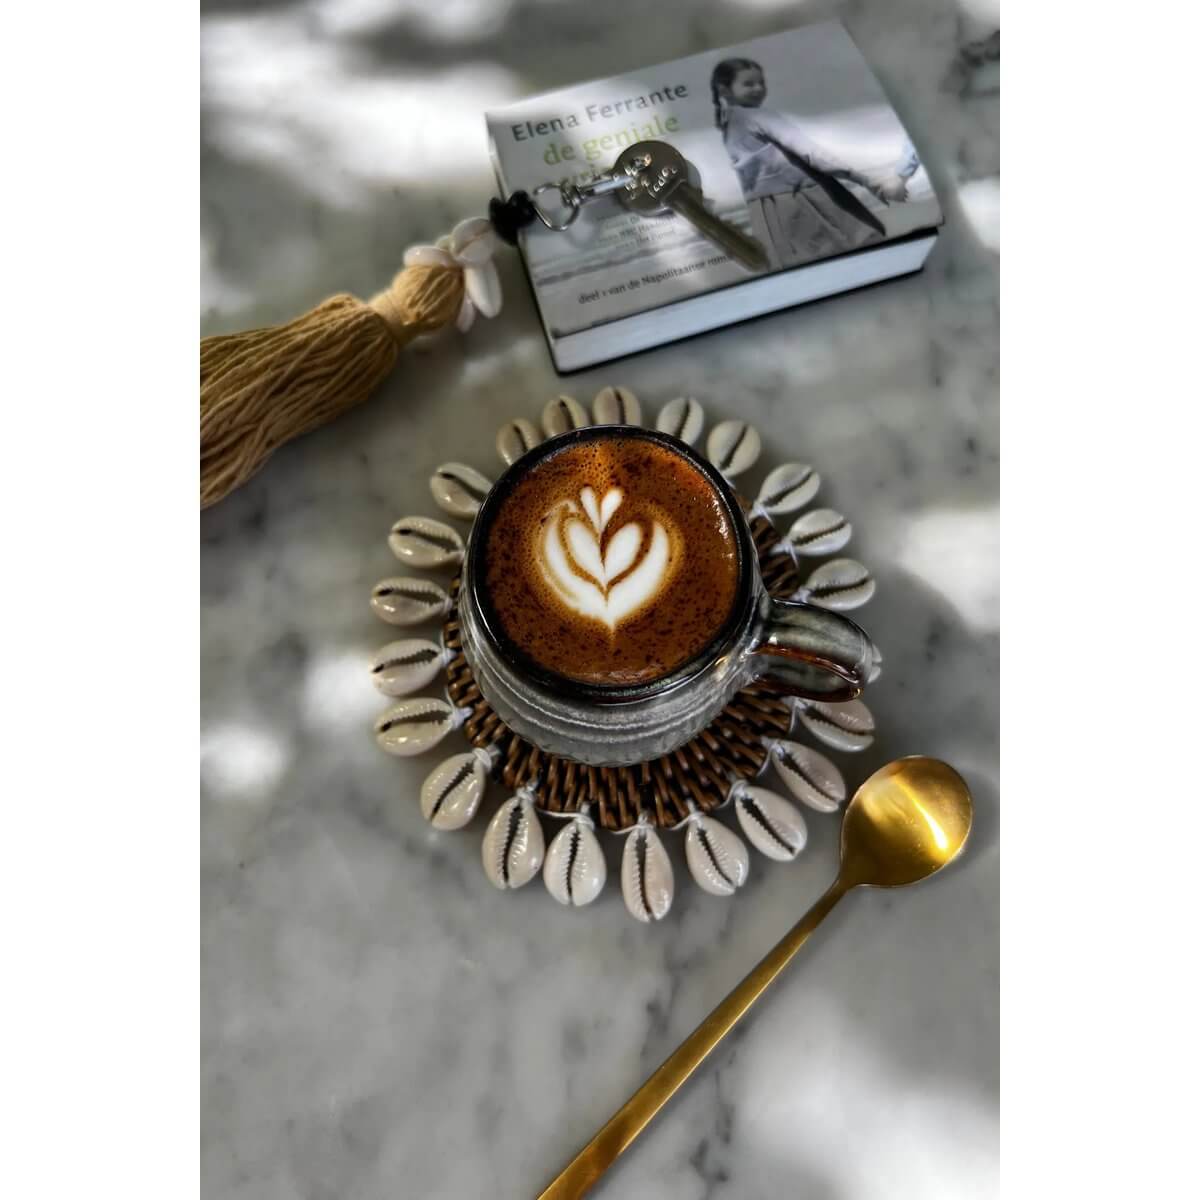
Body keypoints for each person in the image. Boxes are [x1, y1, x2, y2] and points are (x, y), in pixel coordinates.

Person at [711, 57, 909, 267]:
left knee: (804, 264)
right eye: (749, 84)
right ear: (724, 89)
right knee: (858, 249)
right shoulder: (759, 116)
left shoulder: (728, 125)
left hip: (766, 211)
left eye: (761, 82)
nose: (758, 88)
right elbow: (810, 152)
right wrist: (867, 180)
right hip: (804, 197)